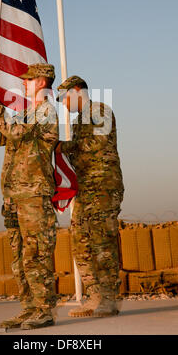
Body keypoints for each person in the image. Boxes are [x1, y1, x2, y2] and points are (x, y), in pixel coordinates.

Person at [0, 63, 59, 330]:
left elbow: (15, 132)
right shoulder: (26, 114)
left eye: (28, 80)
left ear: (40, 81)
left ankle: (44, 309)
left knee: (36, 254)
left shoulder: (46, 111)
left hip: (34, 196)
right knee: (19, 258)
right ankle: (29, 308)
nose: (24, 83)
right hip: (15, 197)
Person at [56, 75, 124, 317]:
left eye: (64, 98)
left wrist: (60, 146)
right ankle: (94, 296)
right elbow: (75, 156)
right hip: (86, 189)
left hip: (104, 186)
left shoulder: (100, 110)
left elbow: (96, 144)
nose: (63, 104)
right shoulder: (77, 122)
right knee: (81, 242)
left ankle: (108, 298)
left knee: (102, 242)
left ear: (77, 90)